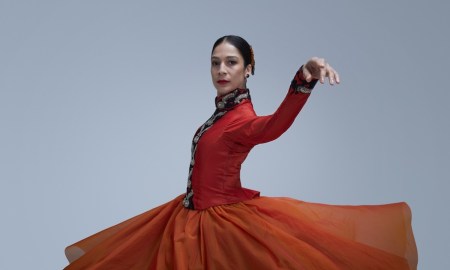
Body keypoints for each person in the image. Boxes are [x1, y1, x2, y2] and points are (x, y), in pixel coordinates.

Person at [64, 35, 418, 269]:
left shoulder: (241, 119)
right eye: (216, 62)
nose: (221, 70)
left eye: (231, 62)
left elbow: (273, 126)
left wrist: (303, 81)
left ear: (248, 68)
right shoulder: (221, 114)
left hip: (219, 227)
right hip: (185, 218)